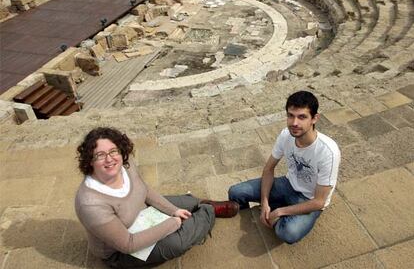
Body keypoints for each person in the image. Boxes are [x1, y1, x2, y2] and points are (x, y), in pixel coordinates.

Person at [75, 127, 239, 268]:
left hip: (141, 213)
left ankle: (198, 205)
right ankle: (207, 211)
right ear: (90, 160)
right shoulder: (91, 204)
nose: (110, 159)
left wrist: (174, 211)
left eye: (113, 151)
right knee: (176, 244)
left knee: (184, 204)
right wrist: (173, 222)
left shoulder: (126, 163)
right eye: (100, 155)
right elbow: (128, 244)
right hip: (120, 250)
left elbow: (144, 190)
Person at [228, 91, 340, 244]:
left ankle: (279, 210)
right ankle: (271, 209)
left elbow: (319, 201)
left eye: (302, 117)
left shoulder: (328, 152)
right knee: (236, 192)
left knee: (288, 233)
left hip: (309, 199)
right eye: (290, 115)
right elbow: (268, 169)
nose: (294, 123)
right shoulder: (286, 135)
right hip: (288, 184)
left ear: (314, 118)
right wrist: (265, 202)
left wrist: (280, 211)